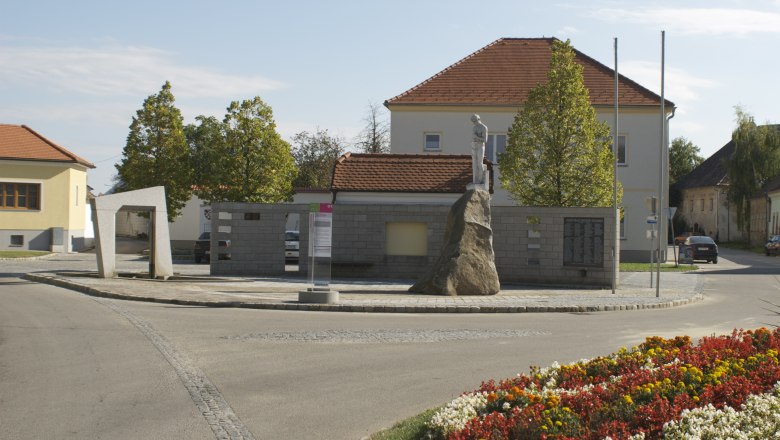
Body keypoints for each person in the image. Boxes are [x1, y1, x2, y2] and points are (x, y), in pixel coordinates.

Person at [471, 114, 487, 184]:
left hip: (480, 146)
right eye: (473, 121)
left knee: (479, 163)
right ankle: (475, 180)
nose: (474, 122)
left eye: (474, 121)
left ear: (478, 119)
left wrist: (476, 137)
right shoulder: (474, 127)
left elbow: (485, 140)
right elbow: (473, 137)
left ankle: (481, 180)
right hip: (474, 146)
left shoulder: (484, 127)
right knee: (474, 163)